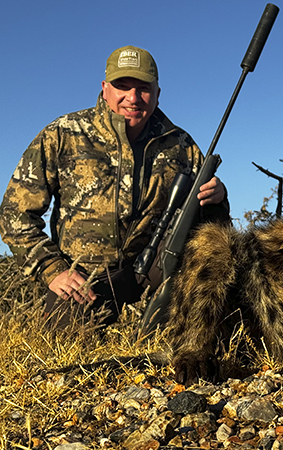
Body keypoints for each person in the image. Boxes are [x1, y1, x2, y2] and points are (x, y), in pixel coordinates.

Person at [0, 45, 230, 327]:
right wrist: (53, 270)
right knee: (66, 349)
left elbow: (211, 220)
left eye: (143, 88)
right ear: (105, 88)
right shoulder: (62, 133)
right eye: (122, 86)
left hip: (153, 274)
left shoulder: (181, 144)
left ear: (157, 93)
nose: (133, 98)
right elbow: (14, 215)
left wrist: (218, 197)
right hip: (83, 280)